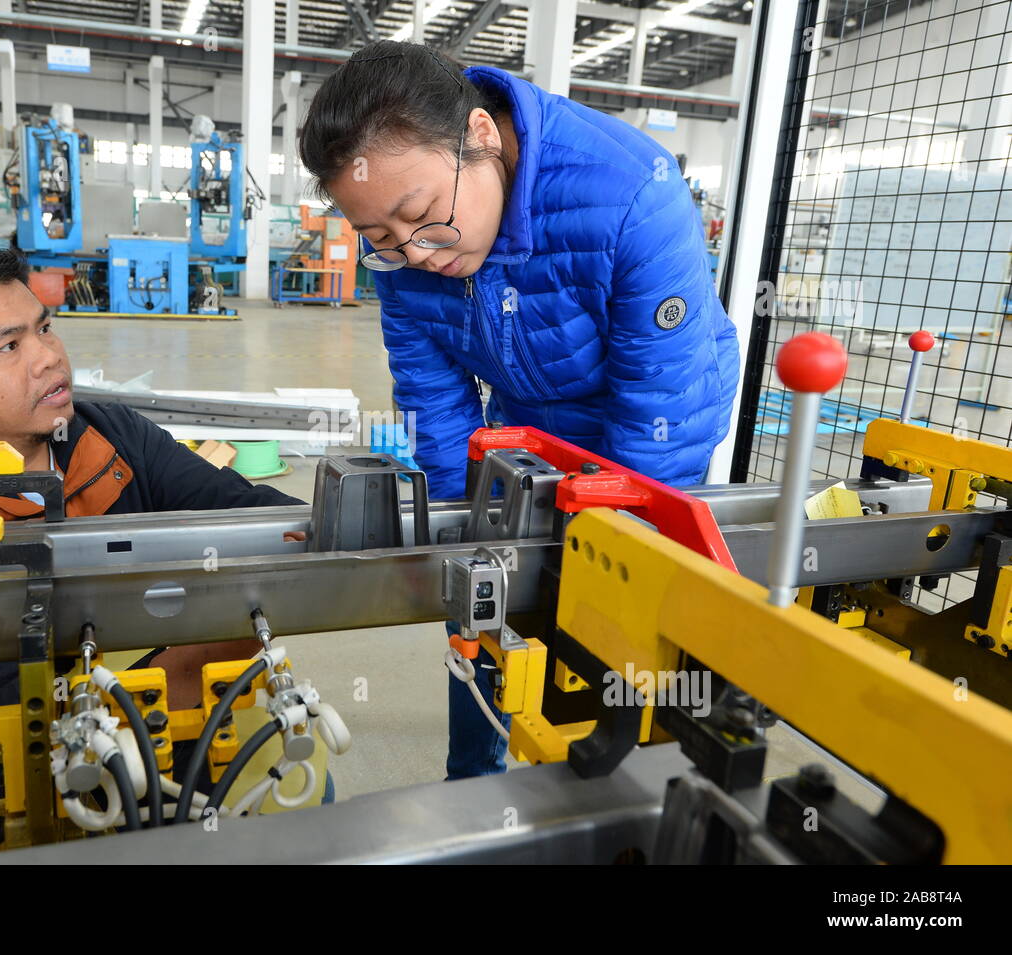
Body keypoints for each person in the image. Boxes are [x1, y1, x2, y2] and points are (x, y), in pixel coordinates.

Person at [299, 41, 740, 780]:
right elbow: (433, 399)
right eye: (379, 238)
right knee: (481, 601)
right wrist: (461, 529)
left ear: (478, 135)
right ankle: (472, 778)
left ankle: (626, 785)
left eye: (422, 217)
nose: (416, 254)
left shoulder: (631, 192)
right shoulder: (403, 251)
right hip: (528, 431)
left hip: (651, 419)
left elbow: (661, 406)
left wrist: (608, 557)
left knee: (618, 635)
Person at [0, 240, 302, 715]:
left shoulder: (115, 437)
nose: (49, 356)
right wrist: (182, 669)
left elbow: (263, 517)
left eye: (45, 329)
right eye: (9, 346)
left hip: (154, 719)